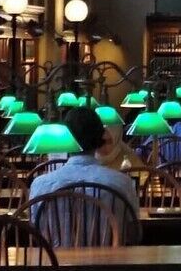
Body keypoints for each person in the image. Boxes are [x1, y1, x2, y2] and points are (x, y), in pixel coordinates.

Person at [28, 103, 142, 243]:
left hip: (55, 263)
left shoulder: (40, 185)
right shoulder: (122, 182)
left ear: (65, 138)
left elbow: (35, 233)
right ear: (101, 137)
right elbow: (134, 235)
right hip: (110, 263)